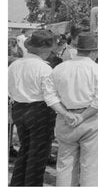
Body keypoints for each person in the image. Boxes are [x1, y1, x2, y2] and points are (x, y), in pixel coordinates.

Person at [8, 30, 75, 186]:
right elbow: (50, 97)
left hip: (19, 108)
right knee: (37, 155)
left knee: (25, 150)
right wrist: (65, 113)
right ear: (44, 50)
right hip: (39, 111)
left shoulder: (14, 65)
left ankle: (17, 184)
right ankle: (32, 185)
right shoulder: (44, 68)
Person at [47, 32, 98, 186]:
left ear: (76, 48)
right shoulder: (97, 70)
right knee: (91, 164)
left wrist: (65, 114)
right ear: (94, 52)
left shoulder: (60, 68)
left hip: (66, 117)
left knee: (65, 163)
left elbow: (50, 95)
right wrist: (82, 117)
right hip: (91, 119)